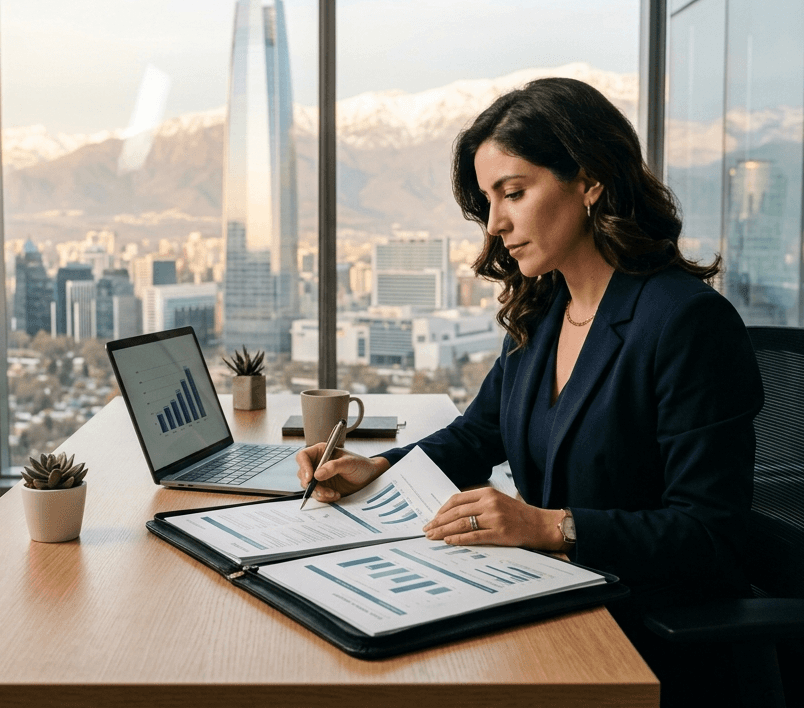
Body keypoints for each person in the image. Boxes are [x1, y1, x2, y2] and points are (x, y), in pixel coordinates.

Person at [295, 77, 763, 706]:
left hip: (648, 637)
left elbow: (711, 534)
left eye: (513, 193)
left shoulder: (685, 322)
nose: (496, 224)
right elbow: (478, 433)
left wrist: (550, 527)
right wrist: (375, 470)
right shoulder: (546, 312)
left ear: (590, 180)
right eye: (489, 201)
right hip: (552, 601)